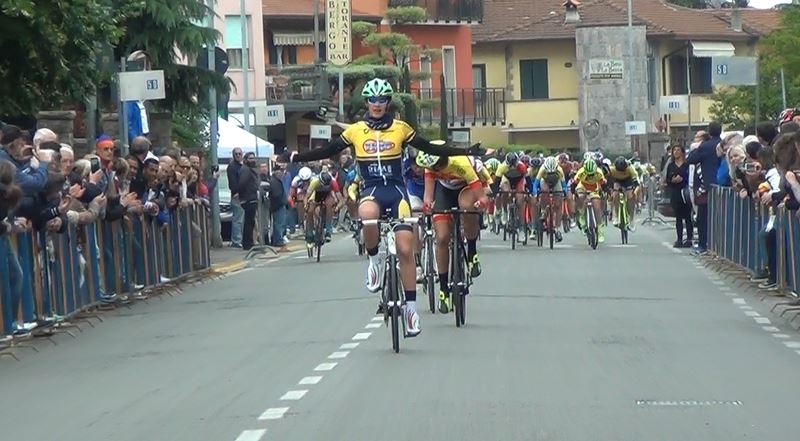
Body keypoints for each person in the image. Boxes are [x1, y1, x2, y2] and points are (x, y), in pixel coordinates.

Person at [290, 78, 476, 337]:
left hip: (397, 193)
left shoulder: (401, 128)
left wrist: (465, 151)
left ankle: (411, 311)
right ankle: (374, 260)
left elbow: (427, 146)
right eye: (372, 100)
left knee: (405, 249)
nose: (377, 104)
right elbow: (329, 149)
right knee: (367, 216)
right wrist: (298, 157)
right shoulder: (356, 131)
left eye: (382, 100)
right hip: (372, 190)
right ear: (367, 103)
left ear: (388, 102)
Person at [417, 152, 488, 314]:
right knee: (442, 237)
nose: (435, 170)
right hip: (445, 191)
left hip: (466, 187)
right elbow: (428, 197)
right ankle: (444, 289)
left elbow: (482, 198)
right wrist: (427, 206)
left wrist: (480, 203)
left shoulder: (461, 164)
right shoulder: (431, 166)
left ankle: (472, 253)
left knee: (467, 207)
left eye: (437, 167)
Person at [687, 121, 722, 254]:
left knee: (703, 217)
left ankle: (703, 244)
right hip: (722, 185)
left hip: (707, 186)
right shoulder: (723, 144)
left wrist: (697, 147)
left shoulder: (705, 146)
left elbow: (691, 159)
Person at [665, 145, 693, 248]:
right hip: (675, 192)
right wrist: (672, 180)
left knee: (688, 216)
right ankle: (679, 239)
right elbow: (667, 179)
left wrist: (682, 179)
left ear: (682, 152)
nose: (676, 152)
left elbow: (690, 177)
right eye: (674, 150)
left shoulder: (687, 165)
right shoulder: (671, 165)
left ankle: (689, 239)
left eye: (678, 150)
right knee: (678, 217)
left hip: (685, 192)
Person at [237, 152, 259, 250]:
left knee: (250, 221)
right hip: (249, 198)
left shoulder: (249, 170)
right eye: (250, 158)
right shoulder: (245, 170)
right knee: (249, 222)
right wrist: (243, 196)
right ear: (245, 160)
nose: (252, 160)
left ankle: (248, 242)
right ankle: (247, 243)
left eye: (253, 158)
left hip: (251, 198)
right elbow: (242, 183)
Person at [227, 148, 244, 248]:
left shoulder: (241, 166)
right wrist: (236, 192)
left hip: (243, 195)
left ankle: (240, 239)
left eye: (239, 154)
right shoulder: (232, 167)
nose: (238, 155)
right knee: (238, 219)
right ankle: (236, 240)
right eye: (236, 154)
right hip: (237, 195)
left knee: (241, 218)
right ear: (233, 155)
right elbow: (232, 182)